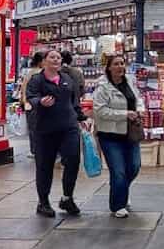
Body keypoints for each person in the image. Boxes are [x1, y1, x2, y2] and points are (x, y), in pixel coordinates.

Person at [26, 49, 83, 218]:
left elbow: (75, 101)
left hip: (69, 127)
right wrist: (40, 101)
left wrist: (81, 117)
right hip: (45, 129)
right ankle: (43, 202)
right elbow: (31, 97)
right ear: (44, 61)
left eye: (58, 57)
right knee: (45, 166)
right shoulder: (37, 80)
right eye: (52, 57)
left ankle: (67, 198)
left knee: (73, 160)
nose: (56, 60)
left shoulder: (67, 79)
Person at [92, 53, 144, 218]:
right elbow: (99, 111)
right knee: (118, 171)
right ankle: (117, 205)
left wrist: (140, 109)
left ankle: (122, 190)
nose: (120, 67)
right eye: (116, 64)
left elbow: (138, 99)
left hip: (130, 133)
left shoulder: (130, 82)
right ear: (108, 67)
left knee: (134, 167)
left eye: (122, 63)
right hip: (110, 135)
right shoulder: (103, 87)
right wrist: (124, 114)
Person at [17, 51, 44, 158]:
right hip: (37, 104)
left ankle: (35, 150)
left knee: (33, 128)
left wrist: (24, 102)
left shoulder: (30, 73)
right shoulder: (39, 73)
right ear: (40, 61)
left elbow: (23, 88)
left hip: (31, 104)